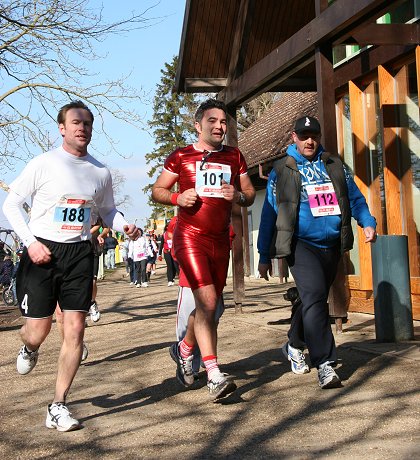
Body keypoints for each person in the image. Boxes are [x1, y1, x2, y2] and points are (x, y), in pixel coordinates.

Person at [2, 100, 139, 431]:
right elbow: (12, 204)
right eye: (76, 122)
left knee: (75, 327)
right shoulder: (43, 164)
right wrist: (31, 243)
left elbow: (107, 210)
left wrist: (124, 226)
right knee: (39, 329)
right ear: (62, 128)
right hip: (42, 252)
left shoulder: (100, 171)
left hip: (79, 252)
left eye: (88, 123)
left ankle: (58, 405)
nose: (82, 128)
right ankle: (29, 347)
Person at [257, 115, 376, 389]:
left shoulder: (335, 165)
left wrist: (367, 222)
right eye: (303, 135)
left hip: (332, 244)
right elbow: (268, 215)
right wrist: (264, 255)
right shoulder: (282, 171)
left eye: (314, 136)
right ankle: (325, 364)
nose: (309, 141)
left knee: (314, 300)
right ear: (293, 137)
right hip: (302, 245)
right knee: (314, 299)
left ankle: (294, 343)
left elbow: (354, 198)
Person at [152, 98, 256, 400]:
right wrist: (176, 198)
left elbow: (249, 194)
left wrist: (237, 195)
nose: (219, 126)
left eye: (223, 122)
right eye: (212, 121)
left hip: (221, 239)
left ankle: (184, 348)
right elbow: (158, 190)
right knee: (208, 302)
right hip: (190, 237)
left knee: (211, 306)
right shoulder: (181, 156)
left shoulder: (235, 156)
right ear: (198, 125)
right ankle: (213, 374)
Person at [89, 217, 109, 322]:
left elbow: (106, 228)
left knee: (92, 281)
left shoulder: (98, 210)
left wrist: (100, 235)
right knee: (78, 282)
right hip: (76, 249)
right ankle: (80, 313)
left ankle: (92, 302)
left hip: (93, 250)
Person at [158, 219, 179, 287]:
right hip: (167, 252)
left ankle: (179, 279)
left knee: (176, 265)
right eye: (168, 226)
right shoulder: (164, 234)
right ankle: (170, 280)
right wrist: (160, 254)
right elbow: (161, 245)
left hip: (174, 251)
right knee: (169, 266)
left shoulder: (176, 233)